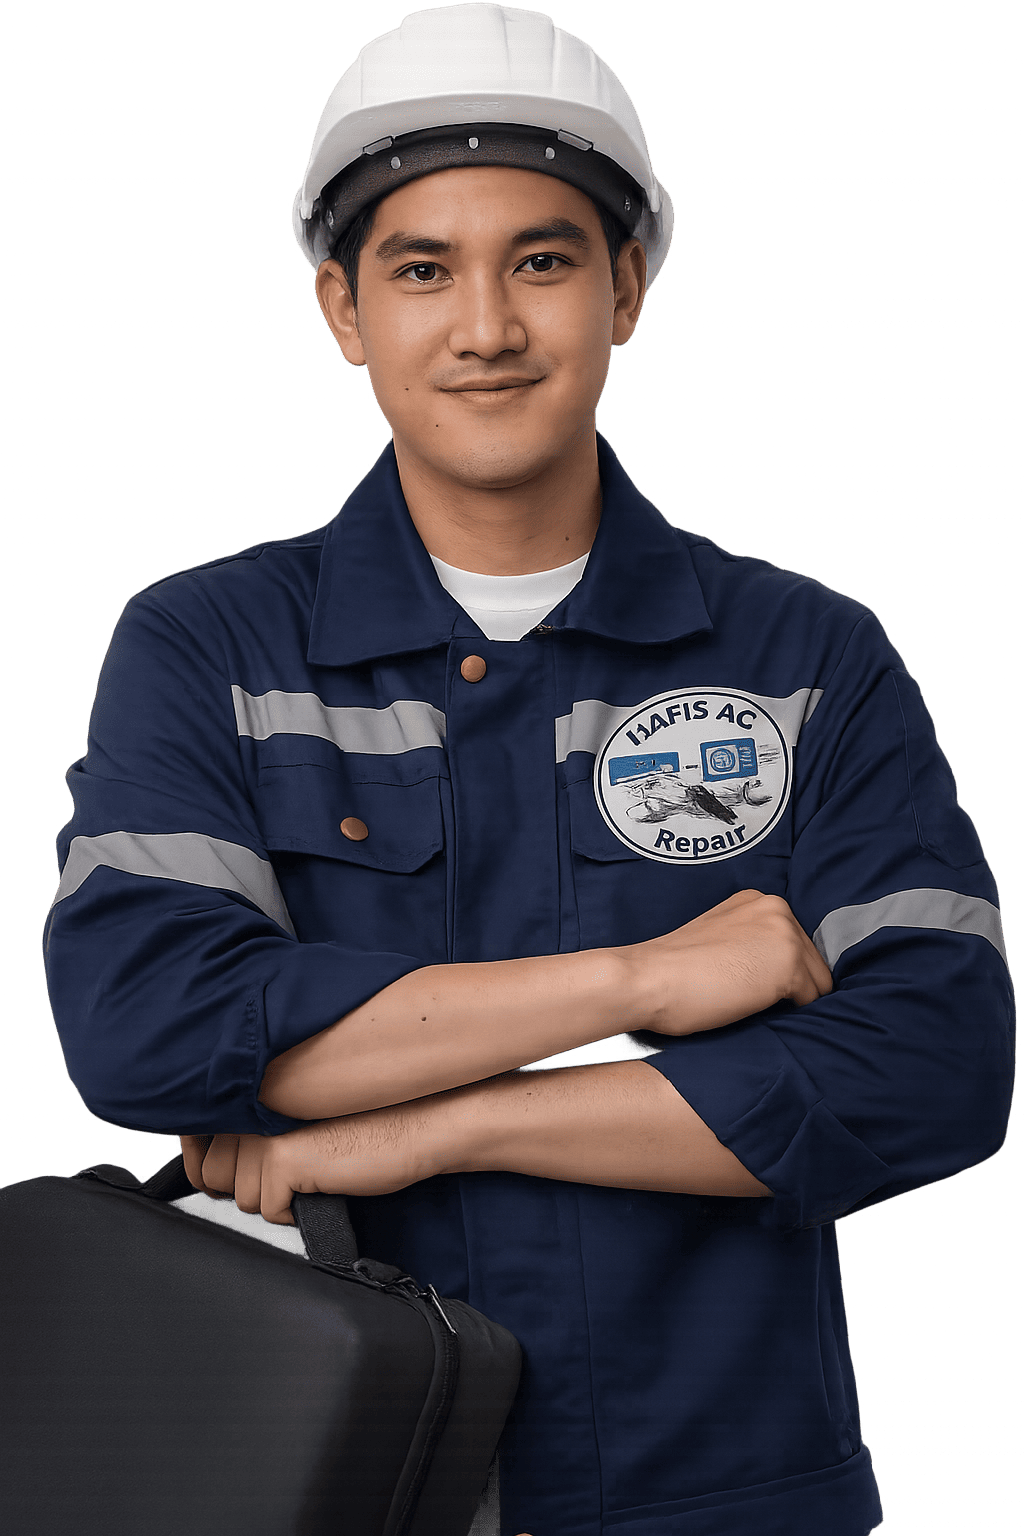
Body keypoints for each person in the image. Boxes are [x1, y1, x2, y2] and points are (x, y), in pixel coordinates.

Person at [42, 6, 1014, 1534]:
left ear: (626, 288)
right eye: (423, 269)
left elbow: (935, 1066)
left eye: (543, 261)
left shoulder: (804, 656)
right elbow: (147, 1033)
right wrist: (639, 982)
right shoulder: (212, 645)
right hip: (330, 1493)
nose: (486, 326)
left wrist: (433, 1125)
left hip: (725, 1500)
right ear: (344, 307)